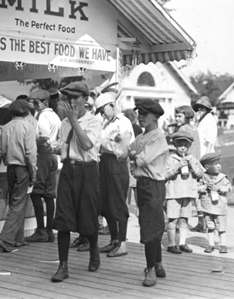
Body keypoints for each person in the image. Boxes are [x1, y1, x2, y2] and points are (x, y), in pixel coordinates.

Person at [50, 81, 103, 283]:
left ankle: (94, 249)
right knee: (63, 216)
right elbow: (66, 146)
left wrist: (74, 121)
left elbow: (88, 144)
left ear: (85, 99)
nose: (72, 102)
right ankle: (63, 266)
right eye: (69, 98)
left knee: (88, 214)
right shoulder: (64, 123)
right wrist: (54, 148)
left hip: (87, 170)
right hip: (68, 171)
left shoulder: (94, 121)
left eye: (76, 98)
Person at [127, 99, 168, 287]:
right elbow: (129, 150)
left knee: (151, 227)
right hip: (142, 185)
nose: (140, 117)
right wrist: (132, 155)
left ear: (156, 116)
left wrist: (134, 157)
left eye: (145, 114)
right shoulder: (143, 136)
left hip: (154, 185)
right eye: (139, 113)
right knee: (149, 223)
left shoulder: (158, 136)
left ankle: (150, 268)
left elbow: (142, 159)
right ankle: (158, 263)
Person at [0, 99, 37, 252]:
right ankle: (5, 238)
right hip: (23, 168)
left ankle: (19, 238)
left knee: (15, 202)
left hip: (9, 168)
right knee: (18, 204)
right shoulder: (28, 127)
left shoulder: (5, 128)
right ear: (26, 112)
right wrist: (33, 173)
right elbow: (30, 153)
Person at [95, 92, 135, 258]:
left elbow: (126, 147)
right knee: (107, 203)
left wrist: (115, 141)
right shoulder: (105, 123)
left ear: (112, 105)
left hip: (117, 163)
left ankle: (122, 243)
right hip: (104, 162)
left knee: (118, 202)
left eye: (103, 108)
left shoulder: (123, 121)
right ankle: (114, 240)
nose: (102, 113)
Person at [25, 89, 61, 243]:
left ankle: (41, 230)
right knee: (49, 194)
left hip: (44, 154)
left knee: (37, 192)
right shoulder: (55, 116)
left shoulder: (43, 116)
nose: (33, 104)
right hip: (53, 156)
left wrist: (30, 143)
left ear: (43, 102)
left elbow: (43, 138)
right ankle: (49, 230)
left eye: (35, 101)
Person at [165, 131, 204, 254]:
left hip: (188, 193)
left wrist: (192, 166)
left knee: (184, 218)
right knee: (172, 219)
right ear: (175, 145)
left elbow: (200, 174)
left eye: (185, 145)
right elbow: (165, 175)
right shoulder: (170, 158)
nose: (183, 147)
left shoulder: (192, 159)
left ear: (189, 146)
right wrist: (177, 167)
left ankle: (182, 243)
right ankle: (171, 244)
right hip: (173, 193)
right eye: (180, 144)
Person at [191, 96, 218, 232]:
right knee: (199, 193)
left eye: (202, 108)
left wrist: (204, 162)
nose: (200, 110)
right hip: (199, 158)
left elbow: (209, 142)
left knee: (206, 193)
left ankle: (208, 223)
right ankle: (201, 222)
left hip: (206, 159)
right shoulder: (200, 121)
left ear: (207, 109)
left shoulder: (210, 120)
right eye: (198, 108)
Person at [198, 152, 232, 253]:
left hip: (219, 206)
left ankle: (223, 245)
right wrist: (204, 187)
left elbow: (229, 188)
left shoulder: (222, 177)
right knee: (210, 226)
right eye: (216, 164)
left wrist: (220, 188)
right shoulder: (203, 177)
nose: (219, 165)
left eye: (219, 163)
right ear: (207, 167)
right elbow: (197, 187)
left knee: (221, 226)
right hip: (208, 206)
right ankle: (211, 244)